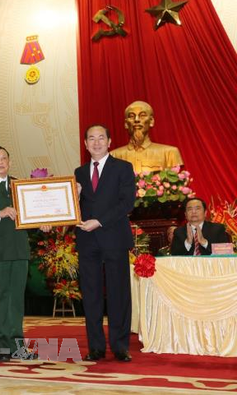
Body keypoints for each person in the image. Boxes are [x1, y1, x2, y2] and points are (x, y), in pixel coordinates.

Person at [0, 146, 49, 362]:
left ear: (10, 162)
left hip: (19, 249)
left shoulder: (20, 185)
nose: (1, 162)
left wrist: (42, 222)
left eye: (4, 158)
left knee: (16, 301)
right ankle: (1, 346)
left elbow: (30, 214)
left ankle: (17, 345)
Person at [75, 124, 136, 362]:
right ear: (85, 144)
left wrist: (99, 221)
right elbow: (74, 207)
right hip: (87, 240)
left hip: (114, 238)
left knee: (118, 293)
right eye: (92, 138)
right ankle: (96, 347)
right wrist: (74, 197)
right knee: (90, 295)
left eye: (101, 138)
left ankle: (120, 347)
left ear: (110, 141)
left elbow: (126, 203)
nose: (97, 142)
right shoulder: (79, 172)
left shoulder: (123, 168)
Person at [110, 101, 184, 173]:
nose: (136, 120)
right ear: (126, 123)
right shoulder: (113, 156)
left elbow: (175, 182)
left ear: (151, 121)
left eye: (142, 116)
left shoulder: (169, 153)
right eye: (132, 116)